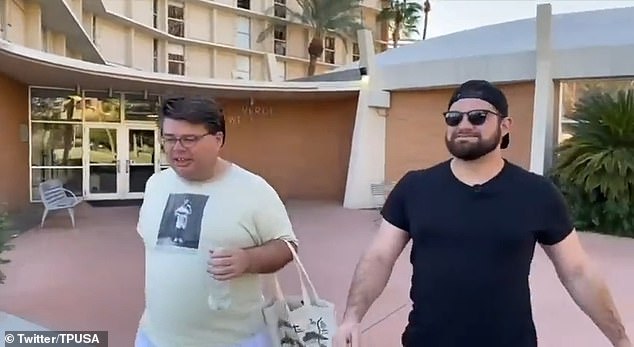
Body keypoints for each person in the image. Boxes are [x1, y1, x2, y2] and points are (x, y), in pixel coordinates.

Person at [334, 80, 631, 347]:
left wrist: (620, 339)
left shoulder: (536, 193)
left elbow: (577, 271)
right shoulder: (415, 187)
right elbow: (379, 257)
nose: (464, 124)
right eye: (454, 117)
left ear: (505, 126)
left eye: (478, 117)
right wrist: (352, 317)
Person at [135, 96, 298, 347]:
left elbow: (287, 247)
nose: (177, 147)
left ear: (218, 139)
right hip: (155, 339)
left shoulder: (253, 189)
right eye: (169, 139)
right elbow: (156, 256)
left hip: (235, 341)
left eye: (189, 139)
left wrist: (248, 260)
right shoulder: (156, 185)